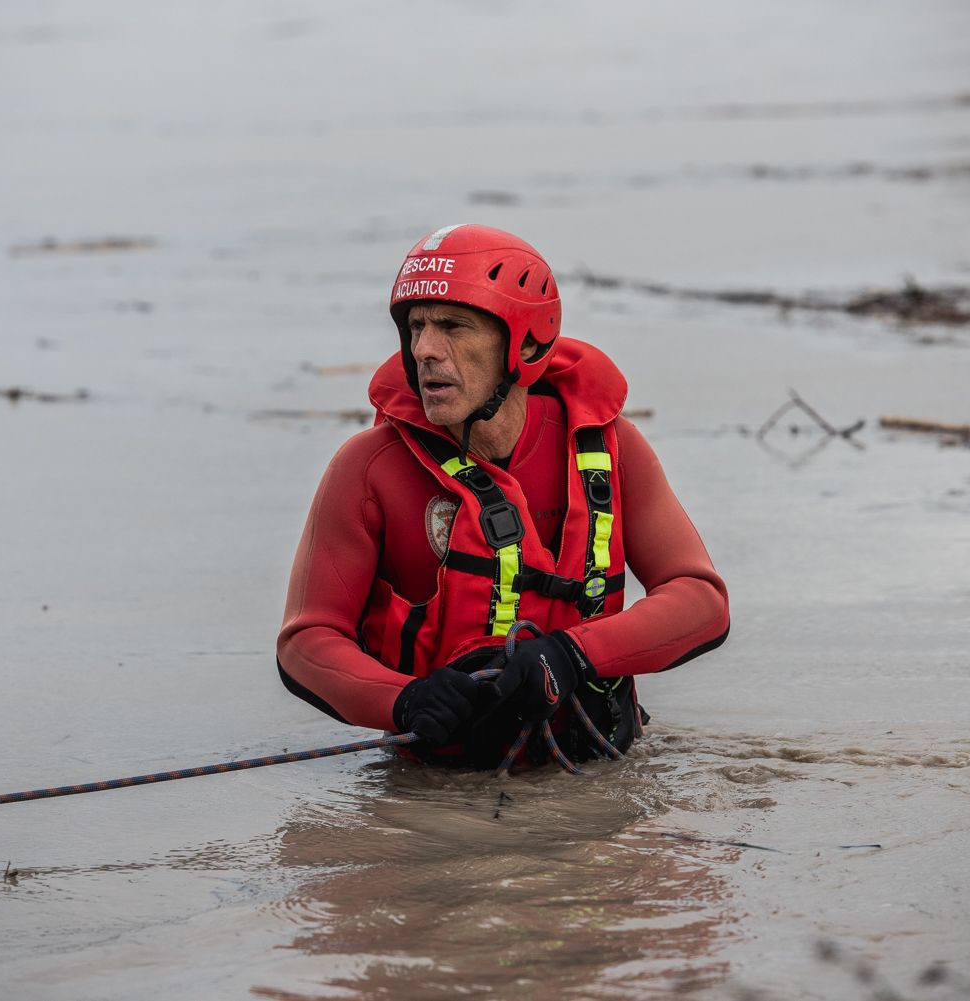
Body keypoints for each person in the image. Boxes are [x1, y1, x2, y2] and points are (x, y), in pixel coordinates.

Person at [277, 224, 729, 767]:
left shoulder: (611, 449)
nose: (424, 350)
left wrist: (571, 655)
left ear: (528, 340)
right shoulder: (367, 468)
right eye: (416, 328)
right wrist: (404, 701)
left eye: (452, 326)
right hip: (437, 787)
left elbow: (701, 601)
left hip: (601, 764)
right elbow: (305, 643)